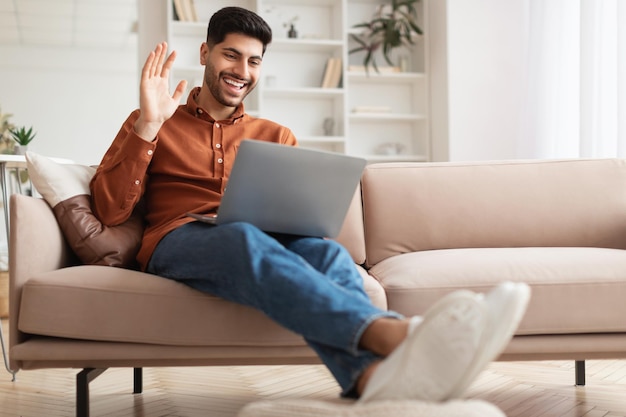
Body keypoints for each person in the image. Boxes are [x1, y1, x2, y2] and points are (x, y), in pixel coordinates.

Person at [90, 6, 530, 403]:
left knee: (328, 253)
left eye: (254, 61)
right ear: (205, 52)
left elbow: (300, 215)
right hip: (179, 239)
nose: (242, 70)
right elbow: (109, 210)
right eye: (231, 55)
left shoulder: (276, 134)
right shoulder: (154, 119)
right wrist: (148, 124)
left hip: (265, 237)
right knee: (241, 236)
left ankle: (370, 378)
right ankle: (393, 333)